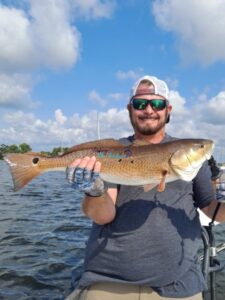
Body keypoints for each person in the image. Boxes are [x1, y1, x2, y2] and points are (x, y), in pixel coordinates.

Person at [65, 75, 225, 300]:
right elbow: (103, 216)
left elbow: (211, 208)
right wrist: (94, 191)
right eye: (140, 103)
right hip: (109, 278)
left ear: (168, 109)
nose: (149, 109)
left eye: (157, 103)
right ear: (129, 109)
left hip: (179, 282)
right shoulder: (114, 152)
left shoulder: (195, 160)